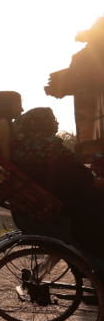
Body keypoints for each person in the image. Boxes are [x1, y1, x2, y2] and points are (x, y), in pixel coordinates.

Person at [12, 108, 104, 257]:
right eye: (52, 119)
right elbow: (75, 172)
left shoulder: (25, 148)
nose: (56, 123)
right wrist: (93, 182)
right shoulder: (47, 146)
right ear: (42, 123)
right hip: (67, 201)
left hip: (56, 197)